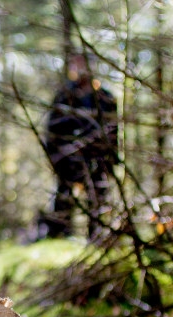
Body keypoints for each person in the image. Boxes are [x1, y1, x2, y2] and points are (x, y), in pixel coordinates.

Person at [41, 54, 119, 238]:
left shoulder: (105, 98)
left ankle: (96, 237)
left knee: (97, 200)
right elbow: (52, 132)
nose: (81, 69)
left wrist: (111, 160)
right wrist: (58, 158)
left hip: (97, 160)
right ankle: (59, 236)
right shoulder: (63, 97)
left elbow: (114, 132)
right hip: (68, 161)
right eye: (77, 65)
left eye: (85, 65)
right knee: (64, 199)